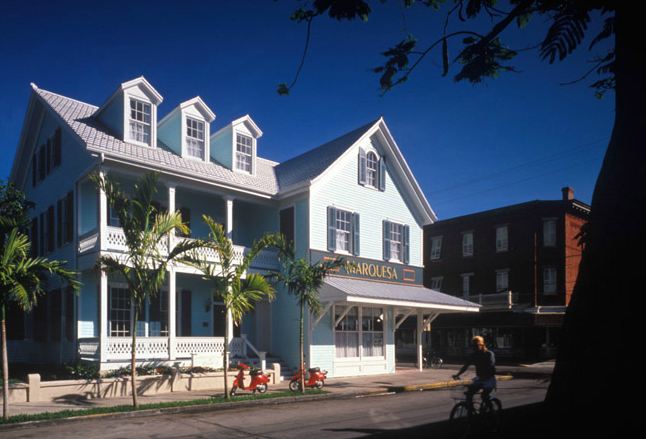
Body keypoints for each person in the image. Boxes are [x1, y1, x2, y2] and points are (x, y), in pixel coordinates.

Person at [452, 336, 496, 406]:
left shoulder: (489, 354)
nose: (474, 348)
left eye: (476, 346)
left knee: (484, 396)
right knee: (469, 393)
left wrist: (483, 373)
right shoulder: (473, 355)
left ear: (482, 345)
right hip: (480, 378)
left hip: (489, 379)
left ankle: (491, 410)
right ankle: (469, 409)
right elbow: (466, 366)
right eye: (473, 346)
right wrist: (457, 374)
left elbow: (491, 367)